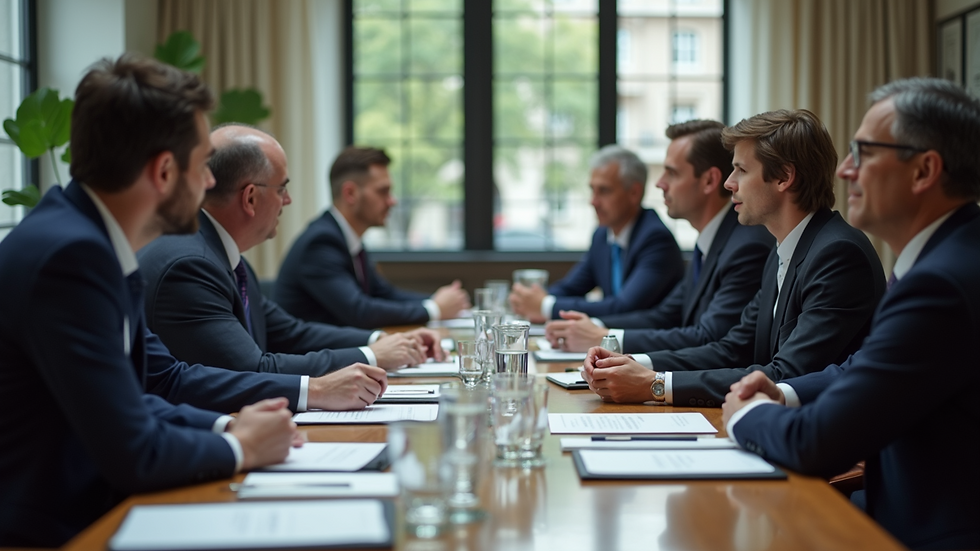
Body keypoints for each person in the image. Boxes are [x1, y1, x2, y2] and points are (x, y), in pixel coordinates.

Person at [0, 55, 304, 547]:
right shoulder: (70, 256)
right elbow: (131, 448)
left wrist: (230, 422)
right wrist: (239, 447)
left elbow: (153, 383)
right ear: (164, 170)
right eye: (203, 164)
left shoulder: (91, 238)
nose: (210, 183)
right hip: (53, 530)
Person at [722, 78, 980, 551]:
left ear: (924, 170)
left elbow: (816, 442)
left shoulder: (940, 283)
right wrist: (781, 393)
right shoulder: (946, 257)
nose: (844, 171)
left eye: (862, 153)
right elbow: (862, 367)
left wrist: (745, 415)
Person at [583, 109, 886, 407]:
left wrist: (656, 385)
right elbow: (733, 349)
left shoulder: (838, 254)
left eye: (741, 170)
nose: (729, 184)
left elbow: (788, 375)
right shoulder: (786, 249)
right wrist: (631, 362)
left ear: (784, 177)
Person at [139, 125, 444, 376]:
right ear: (250, 199)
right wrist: (371, 355)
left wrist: (380, 341)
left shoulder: (224, 258)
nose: (288, 201)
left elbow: (291, 333)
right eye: (282, 189)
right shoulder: (192, 265)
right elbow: (252, 368)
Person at [544, 121, 773, 352]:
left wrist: (605, 337)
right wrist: (594, 328)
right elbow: (664, 316)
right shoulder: (711, 239)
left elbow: (709, 337)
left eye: (672, 173)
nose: (659, 183)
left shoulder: (745, 245)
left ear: (709, 181)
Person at [275, 146, 470, 328]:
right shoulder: (320, 242)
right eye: (382, 191)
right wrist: (434, 309)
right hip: (314, 361)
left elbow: (385, 294)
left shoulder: (348, 239)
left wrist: (437, 301)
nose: (392, 201)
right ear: (350, 193)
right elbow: (359, 311)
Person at [509, 145, 685, 323]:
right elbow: (571, 287)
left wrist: (546, 306)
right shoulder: (602, 235)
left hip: (650, 345)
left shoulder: (656, 239)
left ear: (634, 193)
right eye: (592, 190)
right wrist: (531, 300)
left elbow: (623, 306)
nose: (593, 201)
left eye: (604, 191)